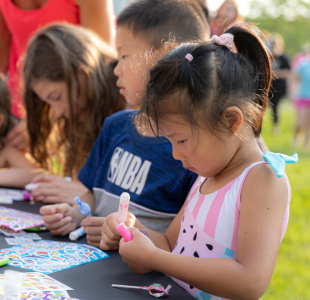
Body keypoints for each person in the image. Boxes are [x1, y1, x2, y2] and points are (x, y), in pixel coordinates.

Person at [101, 24, 295, 299]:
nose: (175, 154)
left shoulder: (262, 180)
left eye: (180, 141)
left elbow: (250, 282)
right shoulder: (206, 175)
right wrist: (133, 231)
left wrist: (154, 259)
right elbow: (170, 244)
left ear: (230, 122)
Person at [39, 0, 210, 242]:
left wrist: (125, 234)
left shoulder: (191, 152)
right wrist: (73, 215)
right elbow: (92, 196)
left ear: (166, 57)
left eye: (124, 55)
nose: (116, 70)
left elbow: (179, 242)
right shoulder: (114, 126)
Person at [0, 0, 115, 150]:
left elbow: (99, 64)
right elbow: (0, 43)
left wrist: (45, 118)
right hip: (27, 105)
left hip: (81, 104)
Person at [23, 24, 124, 203]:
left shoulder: (130, 104)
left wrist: (82, 193)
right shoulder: (84, 113)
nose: (58, 111)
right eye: (49, 103)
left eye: (57, 97)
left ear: (82, 74)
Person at [268, 33, 291, 135]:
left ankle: (275, 126)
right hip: (268, 86)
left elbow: (288, 72)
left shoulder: (283, 57)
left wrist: (274, 74)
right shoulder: (268, 56)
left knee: (275, 106)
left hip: (279, 87)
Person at [292, 45, 310, 150]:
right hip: (303, 96)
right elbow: (295, 78)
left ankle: (305, 147)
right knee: (300, 123)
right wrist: (292, 93)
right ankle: (296, 139)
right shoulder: (303, 64)